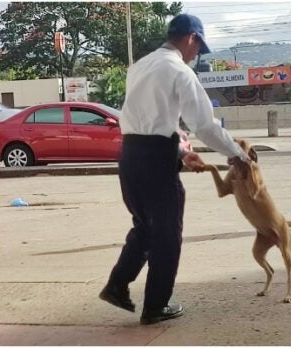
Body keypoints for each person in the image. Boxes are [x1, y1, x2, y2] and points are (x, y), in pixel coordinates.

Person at [99, 14, 250, 325]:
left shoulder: (140, 66)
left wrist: (180, 152)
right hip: (155, 160)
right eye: (198, 48)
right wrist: (237, 155)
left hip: (129, 155)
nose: (197, 55)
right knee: (167, 234)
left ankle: (117, 285)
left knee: (144, 226)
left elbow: (147, 123)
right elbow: (205, 126)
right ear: (191, 38)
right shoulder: (179, 70)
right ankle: (156, 305)